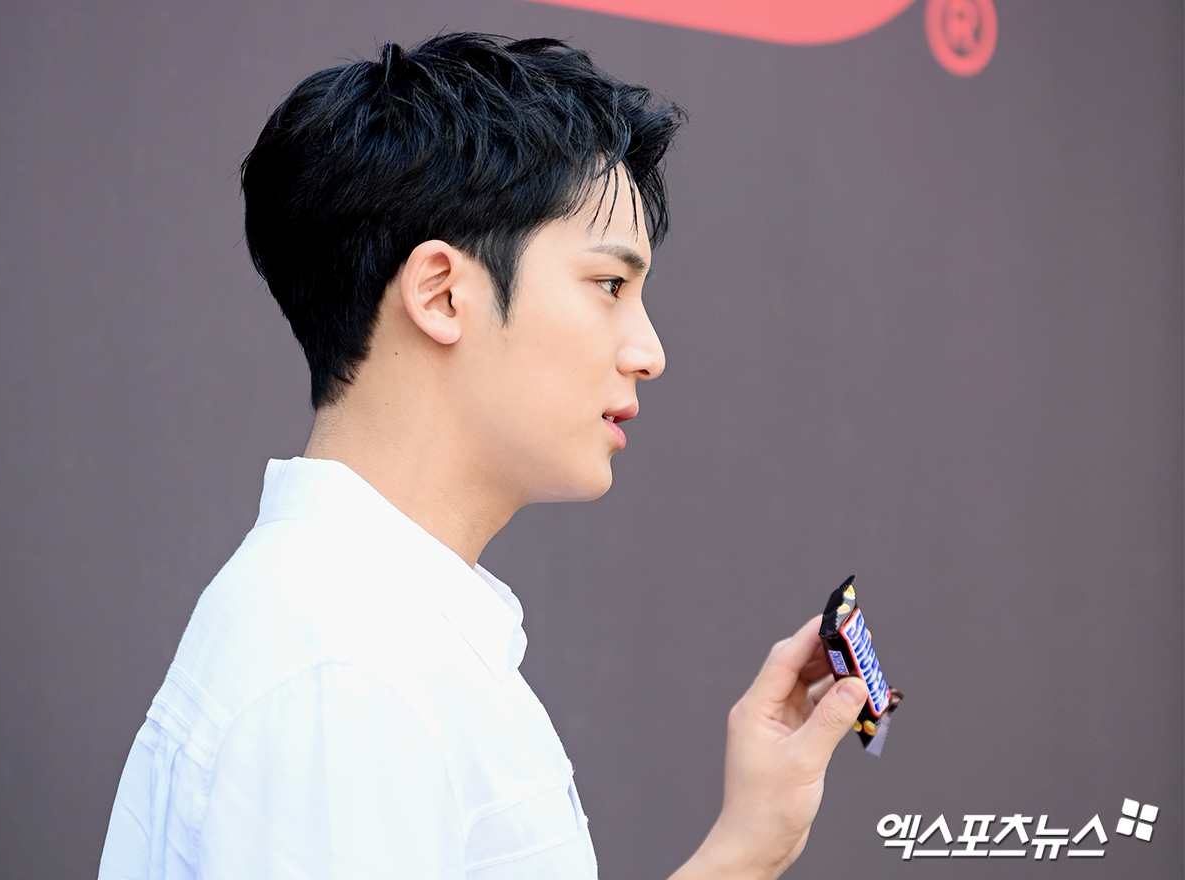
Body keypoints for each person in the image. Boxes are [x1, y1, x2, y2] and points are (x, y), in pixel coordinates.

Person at [98, 33, 869, 880]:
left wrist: (745, 851)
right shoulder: (345, 674)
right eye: (610, 286)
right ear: (440, 294)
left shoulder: (371, 637)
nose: (649, 352)